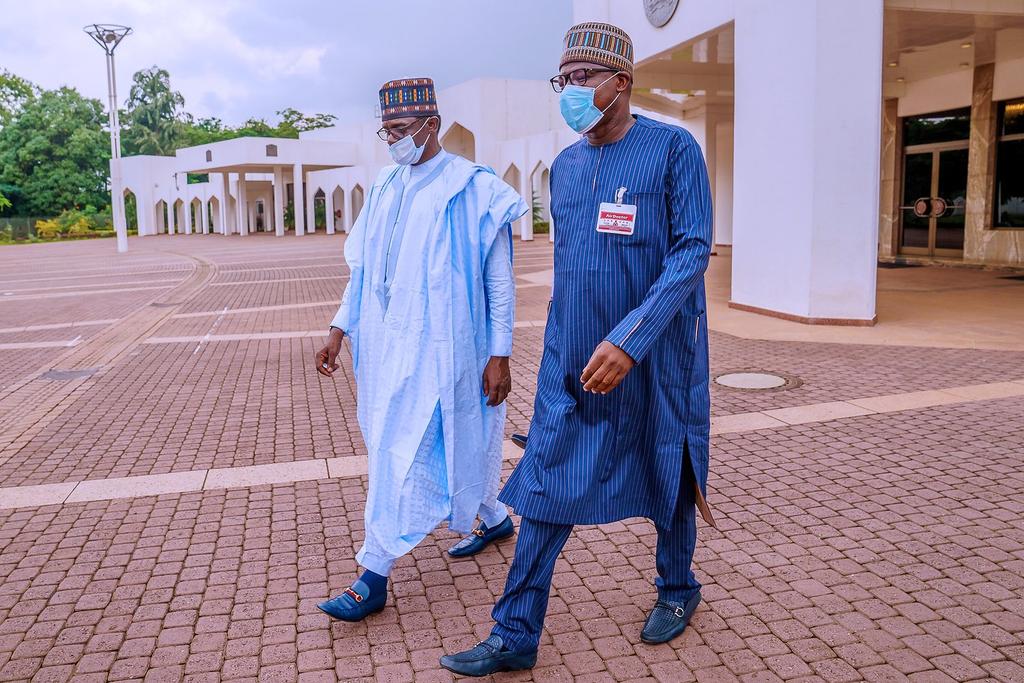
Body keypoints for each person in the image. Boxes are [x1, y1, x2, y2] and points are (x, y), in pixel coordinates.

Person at [440, 23, 716, 676]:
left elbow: (692, 250)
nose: (569, 90)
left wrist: (630, 340)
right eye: (562, 80)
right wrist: (557, 361)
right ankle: (515, 631)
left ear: (621, 81)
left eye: (582, 77)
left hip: (656, 357)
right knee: (546, 481)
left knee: (668, 467)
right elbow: (570, 272)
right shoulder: (565, 167)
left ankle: (678, 587)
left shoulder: (673, 148)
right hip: (578, 363)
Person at [315, 77, 528, 622]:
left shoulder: (474, 188)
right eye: (386, 130)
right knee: (447, 443)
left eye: (401, 129)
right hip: (386, 345)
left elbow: (499, 281)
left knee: (401, 451)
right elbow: (364, 269)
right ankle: (494, 517)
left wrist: (499, 354)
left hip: (447, 349)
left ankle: (373, 574)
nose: (392, 140)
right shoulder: (385, 184)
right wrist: (339, 328)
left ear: (432, 125)